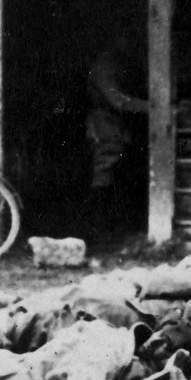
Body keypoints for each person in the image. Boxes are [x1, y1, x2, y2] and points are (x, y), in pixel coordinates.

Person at [84, 35, 147, 236]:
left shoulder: (116, 64)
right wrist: (152, 107)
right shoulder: (104, 67)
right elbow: (117, 101)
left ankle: (110, 226)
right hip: (104, 125)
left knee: (114, 171)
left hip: (114, 124)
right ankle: (99, 228)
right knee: (104, 172)